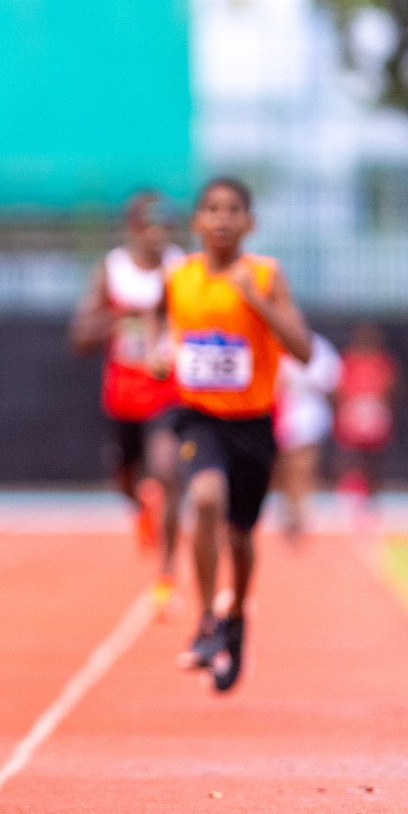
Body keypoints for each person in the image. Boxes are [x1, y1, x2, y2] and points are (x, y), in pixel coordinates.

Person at [162, 177, 312, 693]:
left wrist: (259, 304)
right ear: (197, 222)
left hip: (252, 423)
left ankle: (236, 620)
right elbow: (167, 330)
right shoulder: (178, 277)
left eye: (233, 210)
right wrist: (164, 355)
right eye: (212, 209)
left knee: (241, 537)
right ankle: (206, 620)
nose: (222, 219)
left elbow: (305, 350)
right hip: (199, 417)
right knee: (205, 499)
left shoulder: (266, 276)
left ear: (249, 222)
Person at [69, 192, 183, 608]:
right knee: (124, 477)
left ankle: (168, 572)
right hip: (123, 393)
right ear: (131, 228)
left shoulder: (181, 270)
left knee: (167, 468)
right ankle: (140, 510)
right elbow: (79, 335)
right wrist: (121, 318)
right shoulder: (111, 271)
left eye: (164, 225)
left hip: (168, 390)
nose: (157, 234)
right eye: (148, 225)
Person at [273, 331, 342, 540]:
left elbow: (331, 383)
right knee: (284, 468)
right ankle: (289, 510)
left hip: (308, 415)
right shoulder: (273, 341)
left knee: (302, 466)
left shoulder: (318, 347)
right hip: (278, 414)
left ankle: (301, 512)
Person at [333, 321, 398, 513]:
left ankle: (371, 495)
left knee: (372, 458)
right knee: (350, 455)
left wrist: (380, 409)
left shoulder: (382, 361)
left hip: (373, 411)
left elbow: (391, 387)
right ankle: (349, 491)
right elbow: (340, 386)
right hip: (353, 411)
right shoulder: (349, 359)